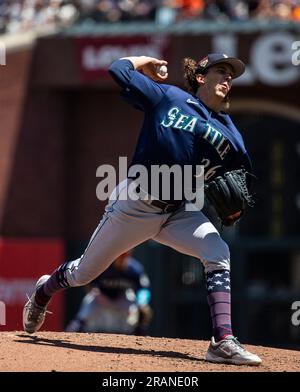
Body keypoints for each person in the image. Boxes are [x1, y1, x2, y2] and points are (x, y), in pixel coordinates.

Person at [23, 52, 262, 366]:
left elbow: (242, 179)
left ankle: (222, 341)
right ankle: (43, 290)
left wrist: (235, 208)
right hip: (135, 205)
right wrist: (145, 61)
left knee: (217, 251)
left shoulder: (230, 133)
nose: (228, 78)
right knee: (83, 274)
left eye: (231, 75)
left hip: (178, 211)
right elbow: (117, 70)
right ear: (201, 78)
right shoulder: (168, 96)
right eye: (221, 71)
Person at [65, 251, 152, 335]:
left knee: (140, 310)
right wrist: (96, 293)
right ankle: (71, 332)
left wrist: (141, 302)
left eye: (125, 255)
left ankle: (140, 336)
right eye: (120, 255)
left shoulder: (134, 269)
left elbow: (143, 288)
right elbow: (89, 283)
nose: (122, 258)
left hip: (122, 297)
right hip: (101, 296)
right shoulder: (103, 266)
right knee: (87, 308)